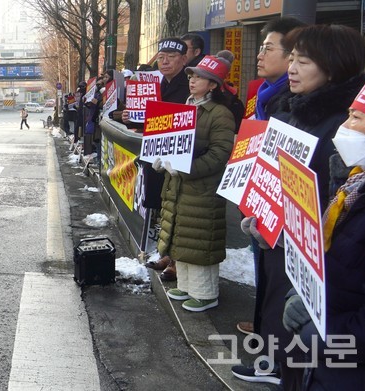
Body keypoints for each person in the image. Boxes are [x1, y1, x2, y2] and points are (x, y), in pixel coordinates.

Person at [243, 24, 365, 389]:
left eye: (305, 60)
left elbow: (336, 206)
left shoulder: (345, 130)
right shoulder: (289, 109)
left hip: (321, 267)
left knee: (302, 347)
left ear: (334, 66)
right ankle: (276, 362)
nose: (293, 68)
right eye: (293, 59)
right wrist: (262, 213)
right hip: (282, 249)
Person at [280, 78, 365, 390]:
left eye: (356, 118)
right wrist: (306, 296)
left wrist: (319, 333)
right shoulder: (351, 184)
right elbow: (326, 261)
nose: (343, 127)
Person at [230, 16, 307, 386]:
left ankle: (277, 361)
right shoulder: (264, 94)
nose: (260, 54)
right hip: (263, 206)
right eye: (260, 47)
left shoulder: (294, 106)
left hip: (287, 218)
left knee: (282, 287)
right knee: (268, 280)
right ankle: (269, 349)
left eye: (268, 48)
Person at [154, 51, 236, 312]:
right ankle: (187, 285)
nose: (192, 81)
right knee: (182, 238)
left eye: (199, 77)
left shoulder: (219, 113)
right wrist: (160, 156)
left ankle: (205, 293)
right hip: (179, 186)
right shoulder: (186, 107)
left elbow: (219, 154)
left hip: (202, 188)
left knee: (201, 240)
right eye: (191, 75)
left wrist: (184, 169)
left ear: (213, 85)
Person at [129, 37, 192, 282]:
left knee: (177, 208)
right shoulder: (157, 84)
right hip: (156, 154)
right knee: (164, 207)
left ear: (184, 60)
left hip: (179, 157)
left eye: (171, 57)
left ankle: (176, 260)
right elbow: (145, 117)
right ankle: (167, 253)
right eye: (161, 57)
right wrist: (126, 115)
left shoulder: (188, 85)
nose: (164, 61)